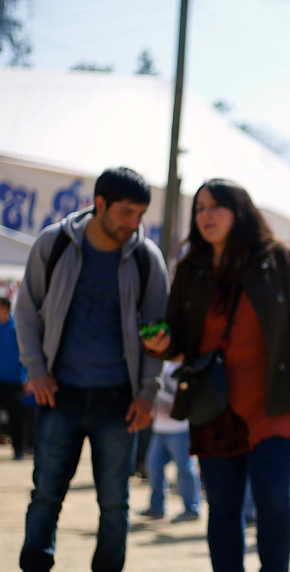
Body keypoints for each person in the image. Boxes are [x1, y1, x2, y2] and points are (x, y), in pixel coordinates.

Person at [142, 179, 290, 572]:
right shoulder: (189, 267)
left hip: (277, 402)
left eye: (215, 207)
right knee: (222, 505)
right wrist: (160, 344)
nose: (205, 216)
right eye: (200, 209)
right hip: (213, 403)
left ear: (240, 211)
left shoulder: (280, 259)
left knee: (274, 497)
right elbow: (177, 336)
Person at [15, 167, 169, 572]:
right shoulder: (54, 243)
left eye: (140, 215)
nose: (133, 223)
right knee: (46, 493)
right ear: (99, 204)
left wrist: (147, 392)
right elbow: (26, 310)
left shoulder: (147, 259)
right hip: (58, 392)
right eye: (126, 212)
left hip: (120, 399)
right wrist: (36, 369)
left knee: (115, 502)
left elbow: (158, 331)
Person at [138, 360, 201, 522]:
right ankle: (156, 507)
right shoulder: (159, 366)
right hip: (160, 429)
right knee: (153, 466)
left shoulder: (185, 368)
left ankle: (191, 508)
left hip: (180, 429)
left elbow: (186, 400)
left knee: (185, 469)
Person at [0, 296, 28, 460]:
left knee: (15, 417)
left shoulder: (16, 329)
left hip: (14, 381)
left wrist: (26, 377)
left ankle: (19, 449)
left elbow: (26, 354)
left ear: (5, 308)